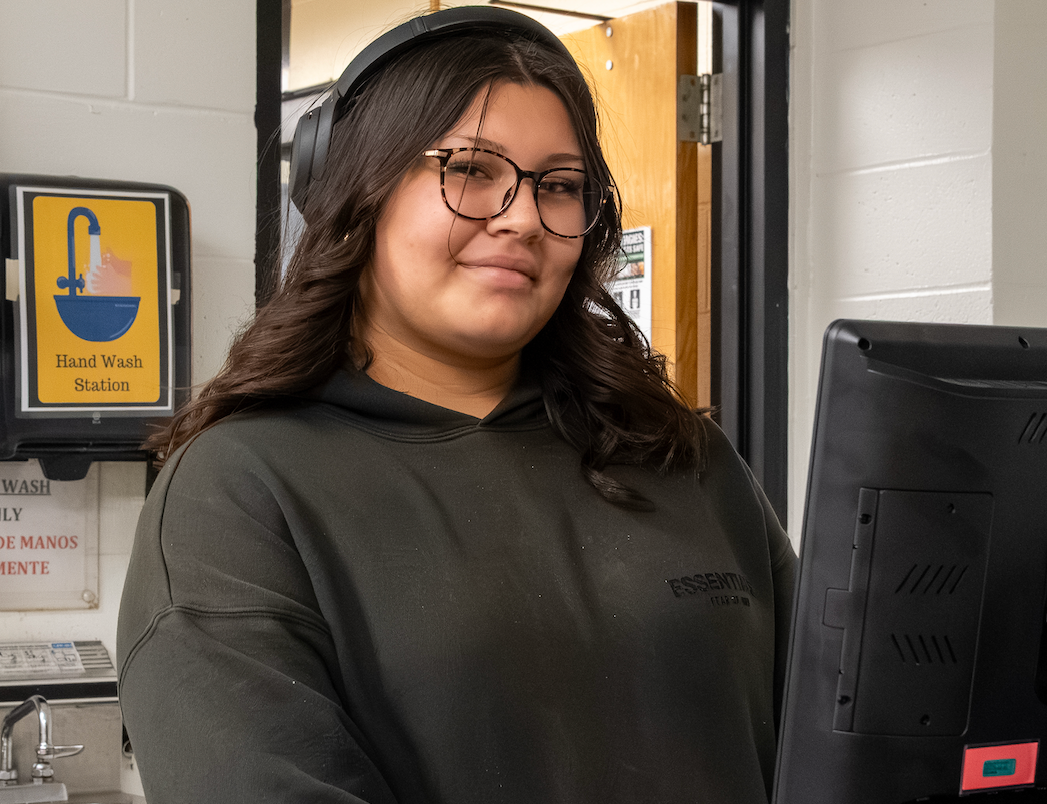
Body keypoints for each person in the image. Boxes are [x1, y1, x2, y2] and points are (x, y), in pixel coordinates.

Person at [117, 9, 794, 803]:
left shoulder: (682, 457)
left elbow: (842, 742)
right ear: (354, 191)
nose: (520, 218)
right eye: (471, 170)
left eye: (562, 186)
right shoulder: (240, 493)